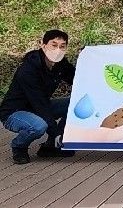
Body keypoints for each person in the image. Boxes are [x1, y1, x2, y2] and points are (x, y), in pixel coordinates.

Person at [0, 30, 76, 164]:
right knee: (39, 126)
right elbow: (40, 105)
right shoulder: (28, 69)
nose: (58, 50)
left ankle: (52, 146)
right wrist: (55, 133)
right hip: (14, 112)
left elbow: (78, 80)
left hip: (39, 106)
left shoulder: (61, 64)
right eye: (54, 45)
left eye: (62, 46)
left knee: (74, 104)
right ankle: (19, 147)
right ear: (43, 45)